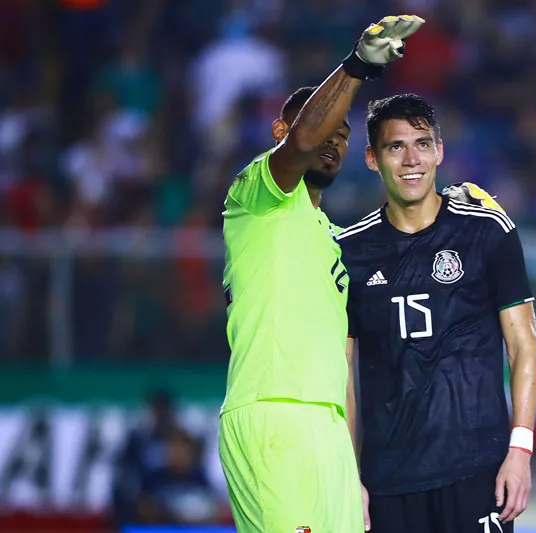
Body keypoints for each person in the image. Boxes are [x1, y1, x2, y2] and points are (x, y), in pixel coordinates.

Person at [217, 17, 424, 533]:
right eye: (323, 127)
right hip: (272, 416)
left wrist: (351, 468)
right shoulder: (256, 197)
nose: (333, 139)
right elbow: (306, 141)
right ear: (281, 132)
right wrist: (357, 68)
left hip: (329, 430)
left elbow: (344, 358)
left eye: (344, 134)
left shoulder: (332, 236)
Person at [338, 94, 536, 533]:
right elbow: (342, 377)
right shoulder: (347, 252)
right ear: (373, 158)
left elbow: (524, 346)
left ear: (440, 151)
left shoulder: (487, 229)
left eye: (423, 143)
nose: (412, 159)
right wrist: (347, 476)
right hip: (389, 480)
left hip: (477, 471)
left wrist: (520, 452)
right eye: (396, 147)